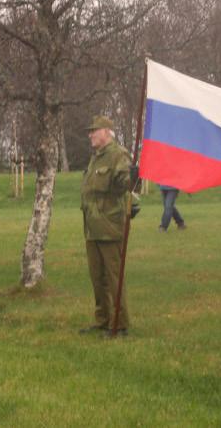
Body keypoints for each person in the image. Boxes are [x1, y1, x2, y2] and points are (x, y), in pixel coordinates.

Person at [79, 116, 139, 338]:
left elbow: (126, 183)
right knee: (98, 277)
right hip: (92, 227)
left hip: (110, 227)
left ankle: (120, 323)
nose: (90, 134)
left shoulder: (117, 155)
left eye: (94, 130)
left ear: (106, 131)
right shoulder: (96, 158)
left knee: (114, 277)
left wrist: (132, 178)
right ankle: (102, 319)